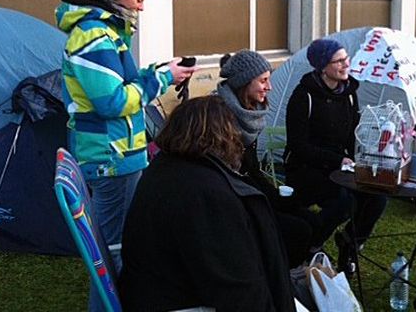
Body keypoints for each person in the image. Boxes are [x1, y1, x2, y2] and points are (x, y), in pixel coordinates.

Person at [55, 0, 194, 311]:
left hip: (120, 154)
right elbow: (112, 102)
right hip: (111, 157)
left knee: (116, 246)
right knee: (112, 251)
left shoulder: (109, 32)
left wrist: (159, 71)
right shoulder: (94, 35)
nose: (142, 8)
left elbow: (123, 85)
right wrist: (161, 82)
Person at [119, 96, 295, 312]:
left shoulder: (167, 168)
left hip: (152, 291)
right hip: (172, 302)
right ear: (222, 136)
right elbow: (235, 286)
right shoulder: (204, 192)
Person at [284, 38, 387, 274]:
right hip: (305, 170)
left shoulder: (349, 93)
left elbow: (352, 134)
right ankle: (312, 246)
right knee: (344, 200)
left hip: (340, 168)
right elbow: (298, 145)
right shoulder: (303, 96)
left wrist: (365, 156)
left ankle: (350, 242)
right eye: (338, 61)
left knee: (377, 197)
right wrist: (336, 160)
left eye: (346, 58)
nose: (345, 64)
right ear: (323, 67)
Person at [216, 50, 320, 269]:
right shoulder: (222, 118)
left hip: (250, 189)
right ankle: (278, 277)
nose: (269, 87)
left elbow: (251, 169)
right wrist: (267, 200)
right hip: (233, 201)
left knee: (311, 221)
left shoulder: (247, 113)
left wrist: (273, 196)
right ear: (244, 83)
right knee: (298, 231)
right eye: (263, 81)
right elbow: (231, 175)